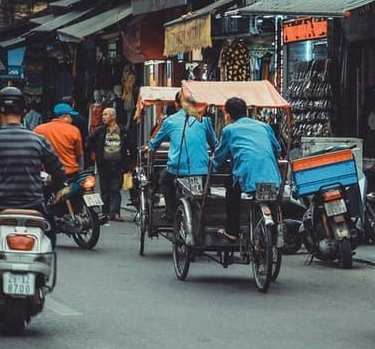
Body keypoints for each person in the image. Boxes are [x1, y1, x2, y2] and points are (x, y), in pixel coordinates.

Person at [0, 87, 65, 284]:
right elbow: (59, 173)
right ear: (24, 112)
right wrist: (52, 185)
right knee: (50, 232)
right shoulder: (38, 140)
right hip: (33, 205)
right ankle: (43, 277)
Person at [211, 97, 283, 241]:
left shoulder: (229, 130)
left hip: (246, 176)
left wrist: (215, 167)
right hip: (272, 176)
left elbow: (219, 158)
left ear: (228, 114)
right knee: (271, 201)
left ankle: (232, 231)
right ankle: (276, 233)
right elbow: (277, 149)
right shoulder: (264, 127)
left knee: (231, 189)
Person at [146, 91, 216, 221]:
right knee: (205, 189)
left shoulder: (170, 121)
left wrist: (149, 147)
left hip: (177, 168)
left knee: (164, 180)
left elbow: (154, 143)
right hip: (201, 169)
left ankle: (171, 212)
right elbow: (214, 144)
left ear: (177, 105)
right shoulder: (204, 121)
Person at [87, 107, 133, 221]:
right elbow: (88, 141)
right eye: (103, 115)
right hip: (104, 164)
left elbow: (132, 145)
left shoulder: (123, 131)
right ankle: (105, 212)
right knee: (104, 190)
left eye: (106, 115)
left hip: (118, 165)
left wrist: (130, 161)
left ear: (113, 116)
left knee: (115, 189)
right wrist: (97, 151)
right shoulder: (100, 131)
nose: (103, 117)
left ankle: (115, 212)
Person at [34, 103, 84, 176]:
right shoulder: (74, 130)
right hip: (69, 173)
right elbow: (79, 154)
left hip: (47, 173)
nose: (72, 120)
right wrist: (81, 171)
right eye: (70, 116)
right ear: (65, 116)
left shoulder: (38, 129)